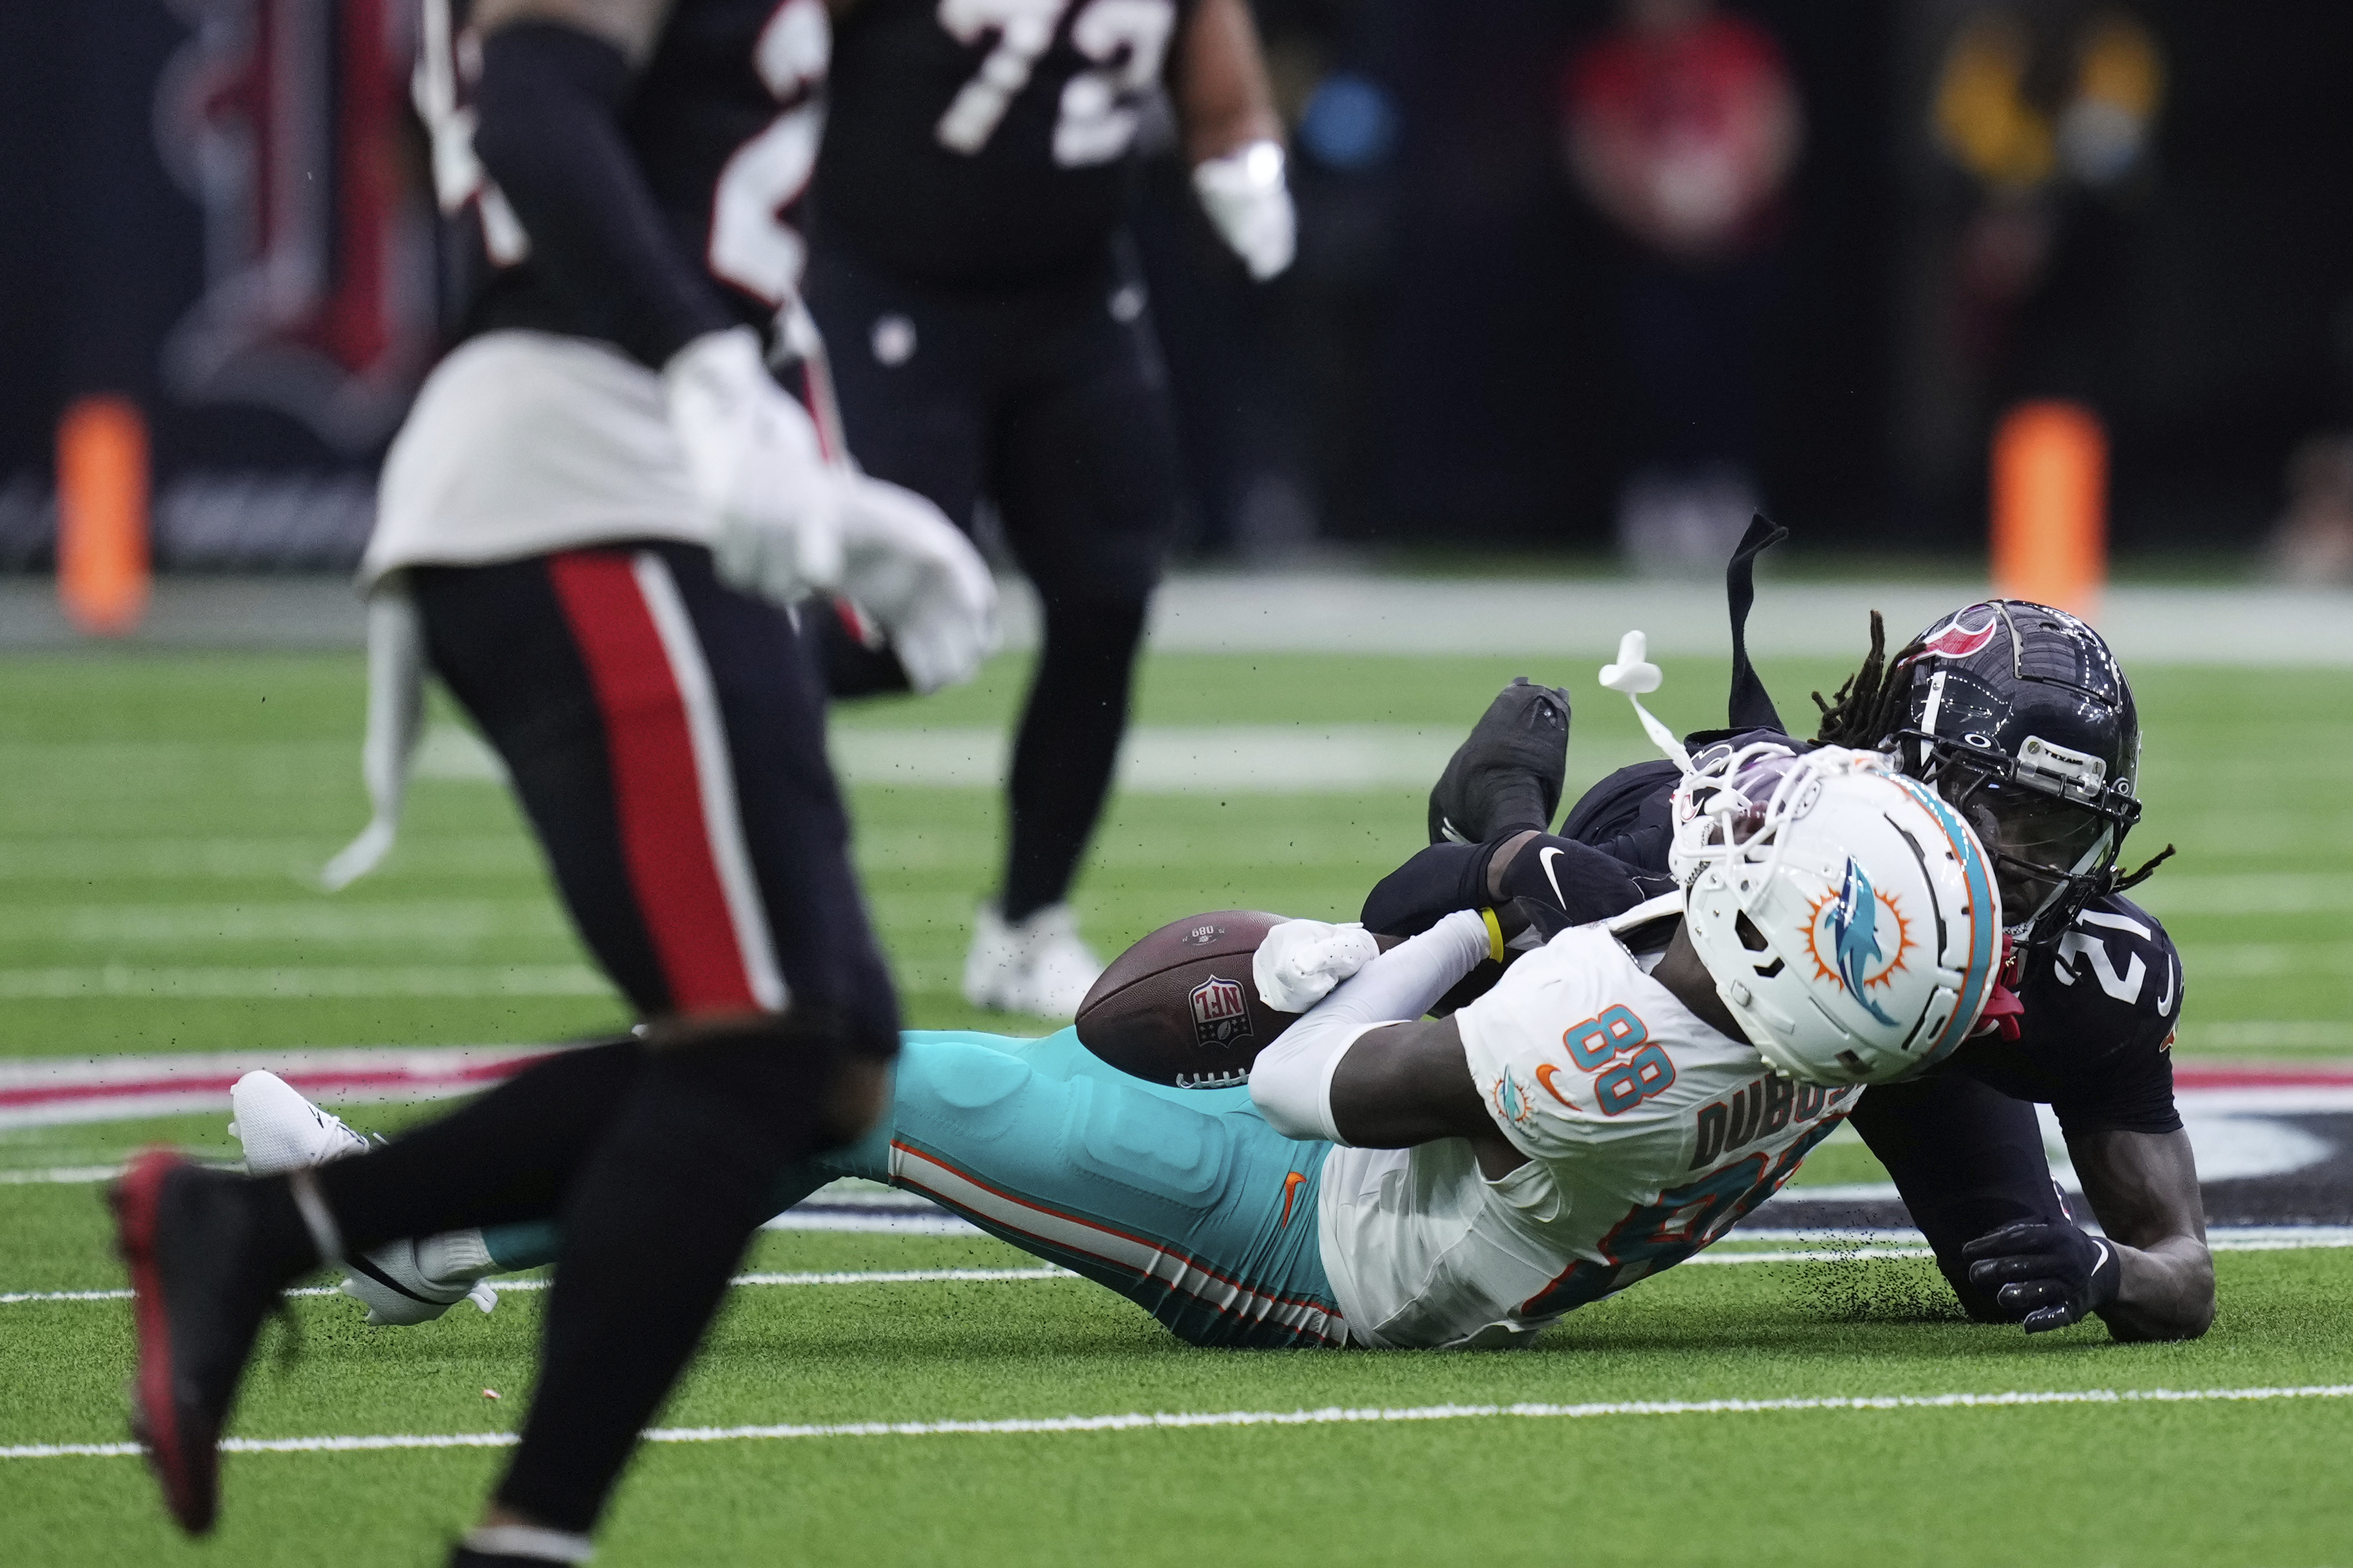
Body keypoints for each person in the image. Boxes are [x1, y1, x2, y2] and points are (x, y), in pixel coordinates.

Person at [110, 0, 995, 1560]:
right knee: (764, 1048)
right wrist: (702, 363)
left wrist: (813, 497)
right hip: (581, 480)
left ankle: (271, 1233)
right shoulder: (658, 344)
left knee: (828, 1063)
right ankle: (509, 1513)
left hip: (661, 486)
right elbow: (523, 105)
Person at [232, 736, 2002, 1351]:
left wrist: (1462, 914)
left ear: (1775, 939)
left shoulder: (1608, 1042)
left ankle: (416, 1226)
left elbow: (1306, 1083)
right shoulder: (1828, 1005)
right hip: (1395, 1179)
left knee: (827, 1074)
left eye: (1773, 860)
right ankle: (438, 1234)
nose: (1742, 829)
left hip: (1313, 1231)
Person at [1369, 520, 2209, 1341]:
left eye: (2067, 832)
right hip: (1724, 901)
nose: (2031, 863)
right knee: (1515, 1037)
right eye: (2011, 813)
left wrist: (2107, 1266)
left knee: (2015, 1277)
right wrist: (1510, 858)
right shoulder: (1760, 852)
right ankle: (1503, 793)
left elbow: (2183, 1271)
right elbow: (1394, 919)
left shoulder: (2098, 976)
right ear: (1919, 771)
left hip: (1921, 1025)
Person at [798, 0, 1298, 1016]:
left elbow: (1217, 76)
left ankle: (1028, 926)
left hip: (1073, 292)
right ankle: (715, 743)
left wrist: (1241, 154)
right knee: (881, 636)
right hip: (889, 284)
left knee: (1108, 595)